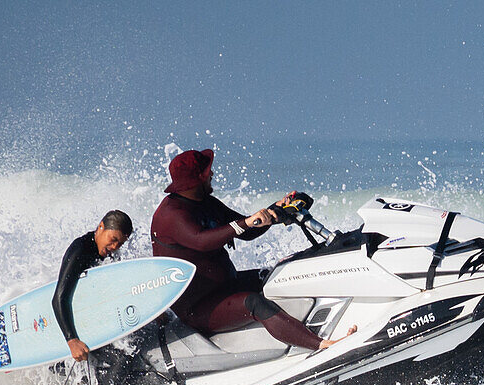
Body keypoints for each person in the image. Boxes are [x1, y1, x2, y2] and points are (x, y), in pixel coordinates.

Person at [150, 148, 355, 350]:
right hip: (199, 308)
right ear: (197, 179)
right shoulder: (171, 215)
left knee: (279, 273)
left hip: (227, 285)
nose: (211, 174)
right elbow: (202, 241)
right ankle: (323, 345)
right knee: (254, 303)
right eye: (207, 172)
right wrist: (247, 223)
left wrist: (275, 210)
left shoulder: (206, 202)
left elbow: (246, 230)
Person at [51, 210, 133, 362]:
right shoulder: (80, 251)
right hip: (73, 326)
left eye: (120, 243)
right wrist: (72, 340)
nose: (115, 246)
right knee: (124, 359)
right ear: (100, 227)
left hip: (93, 318)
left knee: (133, 342)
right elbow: (58, 299)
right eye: (113, 239)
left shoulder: (106, 252)